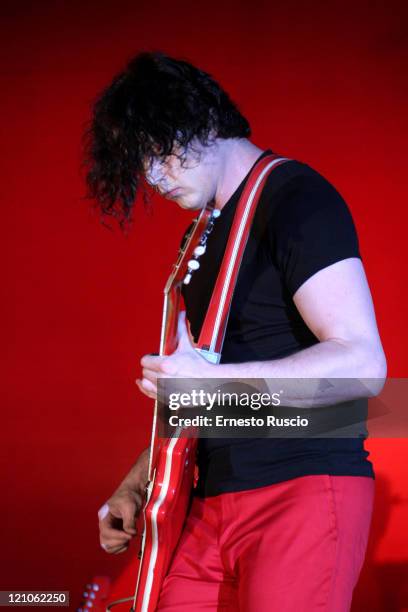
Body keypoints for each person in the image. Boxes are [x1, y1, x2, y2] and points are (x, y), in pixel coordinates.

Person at [84, 51, 387, 611]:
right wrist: (138, 479)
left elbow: (363, 365)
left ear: (199, 123)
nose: (152, 179)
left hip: (300, 484)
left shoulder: (294, 198)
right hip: (212, 498)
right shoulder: (202, 237)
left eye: (157, 153)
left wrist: (214, 385)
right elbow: (200, 392)